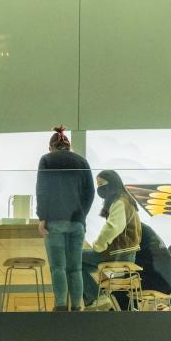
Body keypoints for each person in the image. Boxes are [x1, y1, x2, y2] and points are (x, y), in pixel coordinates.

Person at [35, 125, 95, 311]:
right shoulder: (82, 162)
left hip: (54, 221)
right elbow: (90, 192)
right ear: (68, 145)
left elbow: (42, 190)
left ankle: (61, 306)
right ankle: (76, 306)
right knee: (75, 268)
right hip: (77, 223)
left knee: (58, 267)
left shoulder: (46, 160)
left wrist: (42, 217)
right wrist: (81, 214)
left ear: (51, 147)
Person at [81, 169, 142, 308]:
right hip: (125, 253)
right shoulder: (126, 200)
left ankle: (96, 298)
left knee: (71, 259)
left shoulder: (120, 202)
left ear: (112, 183)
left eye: (101, 183)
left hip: (118, 254)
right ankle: (96, 298)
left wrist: (97, 246)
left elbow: (112, 228)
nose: (99, 188)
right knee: (77, 264)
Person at [135, 223, 171, 297]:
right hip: (165, 282)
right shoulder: (144, 228)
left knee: (119, 292)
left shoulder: (134, 229)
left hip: (157, 282)